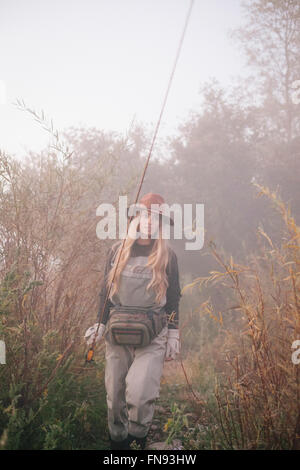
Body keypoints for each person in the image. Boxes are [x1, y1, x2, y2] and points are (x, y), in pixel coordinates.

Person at [85, 193, 182, 450]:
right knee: (114, 396)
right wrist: (100, 324)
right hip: (117, 332)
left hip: (154, 334)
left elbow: (173, 298)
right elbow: (104, 293)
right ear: (136, 217)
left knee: (140, 394)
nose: (150, 222)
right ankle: (117, 445)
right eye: (146, 215)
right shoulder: (116, 252)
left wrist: (174, 332)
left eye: (156, 218)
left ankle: (137, 443)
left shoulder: (168, 256)